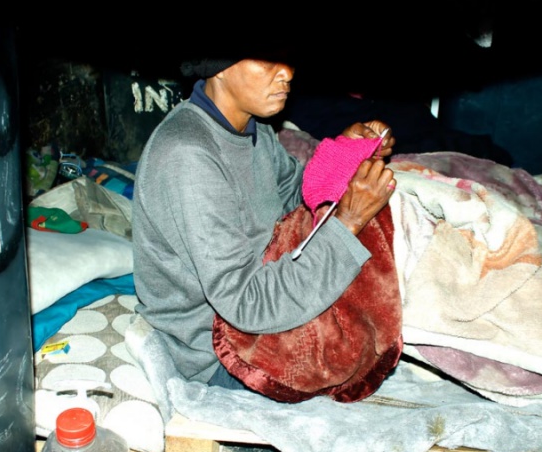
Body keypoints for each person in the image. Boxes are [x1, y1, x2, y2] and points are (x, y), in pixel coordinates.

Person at [131, 51, 397, 391]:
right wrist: (348, 222)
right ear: (219, 67)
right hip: (219, 354)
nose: (286, 72)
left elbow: (294, 202)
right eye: (267, 60)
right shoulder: (188, 155)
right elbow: (246, 303)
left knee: (393, 234)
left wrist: (345, 154)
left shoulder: (252, 129)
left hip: (255, 311)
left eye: (287, 59)